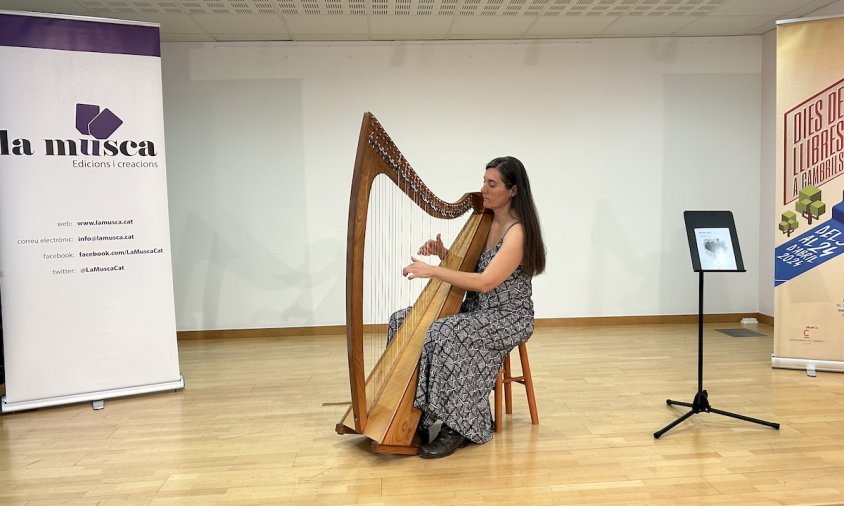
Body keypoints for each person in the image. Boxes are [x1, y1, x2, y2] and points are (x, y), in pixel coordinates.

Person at [387, 155, 546, 459]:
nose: (483, 189)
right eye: (484, 181)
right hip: (476, 311)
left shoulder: (518, 232)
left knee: (445, 332)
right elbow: (473, 270)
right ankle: (413, 414)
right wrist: (444, 254)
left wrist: (432, 271)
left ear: (512, 190)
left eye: (492, 183)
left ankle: (457, 426)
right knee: (400, 320)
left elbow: (485, 282)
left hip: (507, 316)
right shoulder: (485, 222)